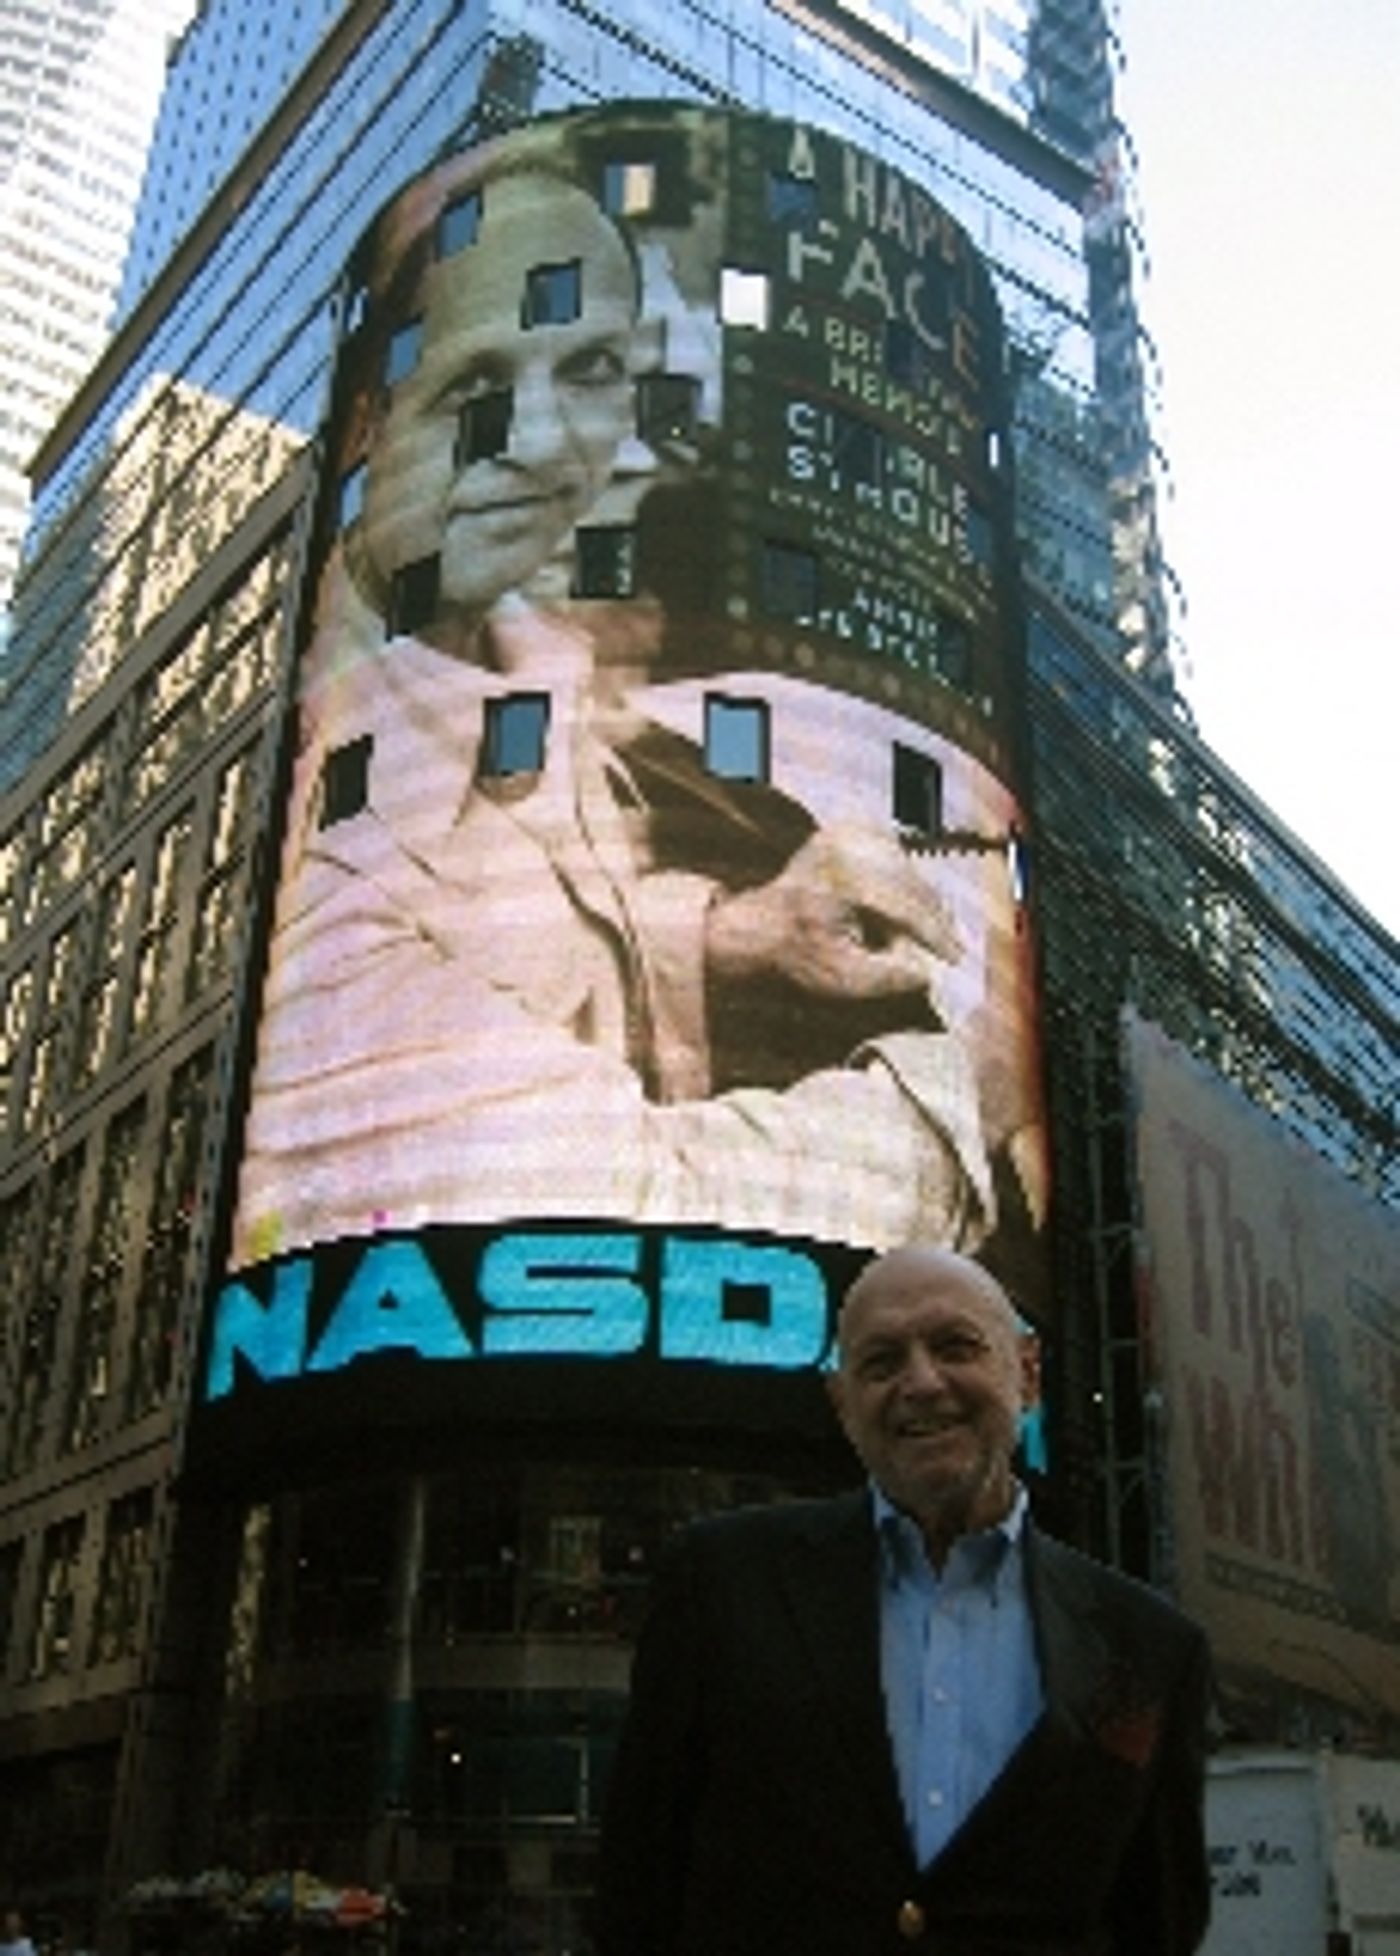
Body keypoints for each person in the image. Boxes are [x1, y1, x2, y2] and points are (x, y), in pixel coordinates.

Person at [231, 159, 997, 1267]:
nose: (545, 447)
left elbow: (522, 957)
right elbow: (640, 1212)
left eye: (588, 368)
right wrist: (966, 1082)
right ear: (367, 422)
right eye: (475, 386)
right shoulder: (327, 845)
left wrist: (732, 936)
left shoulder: (508, 650)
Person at [595, 1246, 1213, 1956]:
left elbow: (1157, 1922)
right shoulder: (720, 1582)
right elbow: (638, 1884)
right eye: (882, 1362)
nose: (921, 1383)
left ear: (1028, 1373)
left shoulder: (1150, 1647)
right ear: (843, 1404)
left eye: (956, 1346)